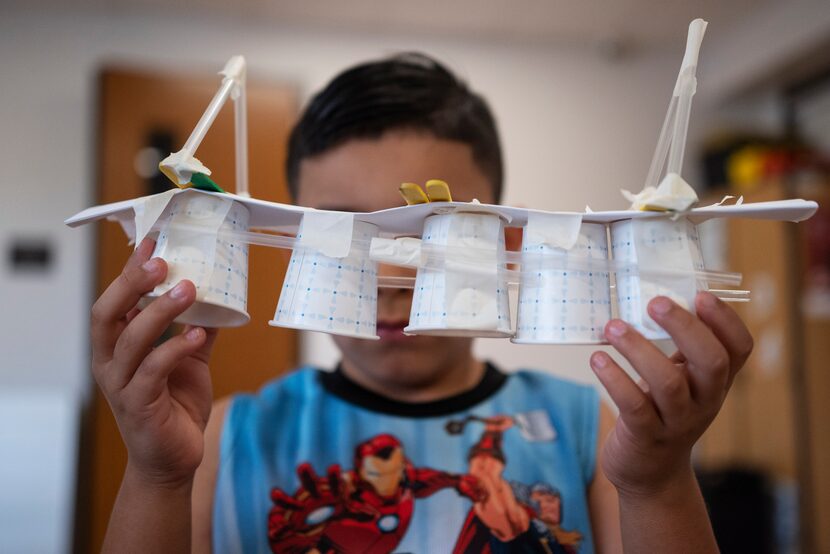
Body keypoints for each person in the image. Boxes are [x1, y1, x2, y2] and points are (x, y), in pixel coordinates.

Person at [91, 53, 753, 553]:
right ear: (295, 243)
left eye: (435, 228)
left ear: (508, 239)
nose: (390, 276)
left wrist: (659, 483)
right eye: (345, 233)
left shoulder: (597, 434)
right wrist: (154, 478)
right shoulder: (215, 440)